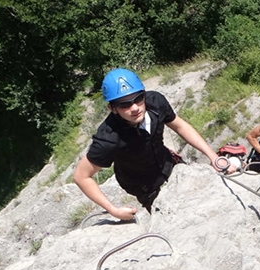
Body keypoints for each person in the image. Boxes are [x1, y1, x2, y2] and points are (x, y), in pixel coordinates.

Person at [74, 68, 228, 220]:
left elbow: (180, 126)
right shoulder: (109, 137)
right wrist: (113, 210)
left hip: (169, 163)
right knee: (175, 219)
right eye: (124, 104)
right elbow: (82, 176)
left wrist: (213, 157)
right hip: (144, 184)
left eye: (138, 98)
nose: (134, 108)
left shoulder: (156, 103)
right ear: (112, 108)